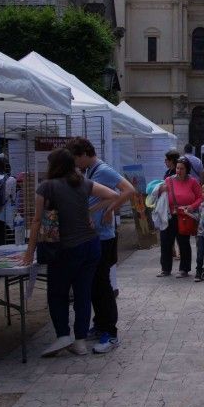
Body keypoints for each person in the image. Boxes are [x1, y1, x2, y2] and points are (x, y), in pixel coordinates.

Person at [20, 148, 120, 358]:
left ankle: (63, 334)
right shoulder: (83, 183)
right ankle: (80, 341)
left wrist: (30, 252)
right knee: (83, 293)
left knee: (57, 293)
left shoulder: (47, 187)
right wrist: (91, 211)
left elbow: (37, 220)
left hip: (63, 248)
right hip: (91, 245)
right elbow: (113, 195)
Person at [67, 138, 135, 355]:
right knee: (96, 285)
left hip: (103, 237)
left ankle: (110, 333)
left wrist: (110, 209)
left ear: (85, 154)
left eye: (76, 158)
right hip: (96, 235)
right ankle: (100, 325)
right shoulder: (91, 171)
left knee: (103, 287)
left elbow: (128, 189)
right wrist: (101, 207)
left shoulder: (102, 170)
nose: (76, 164)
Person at [156, 157, 203, 278]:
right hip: (169, 216)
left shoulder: (193, 182)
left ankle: (184, 269)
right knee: (166, 242)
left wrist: (192, 207)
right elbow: (157, 193)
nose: (179, 170)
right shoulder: (168, 180)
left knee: (183, 242)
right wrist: (160, 190)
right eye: (177, 168)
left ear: (187, 169)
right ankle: (165, 269)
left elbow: (200, 197)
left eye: (182, 168)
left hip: (184, 216)